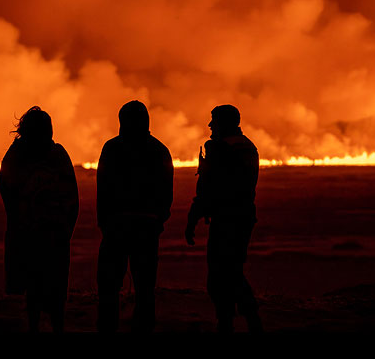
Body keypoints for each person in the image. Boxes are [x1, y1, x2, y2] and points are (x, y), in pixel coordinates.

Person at [0, 106, 79, 333]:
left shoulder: (15, 156)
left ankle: (38, 326)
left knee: (35, 288)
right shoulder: (56, 155)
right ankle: (54, 327)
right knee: (52, 287)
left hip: (33, 235)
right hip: (50, 235)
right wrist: (65, 229)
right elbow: (72, 197)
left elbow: (6, 192)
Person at [96, 100, 174, 333]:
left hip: (117, 227)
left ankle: (108, 328)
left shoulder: (112, 148)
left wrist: (105, 222)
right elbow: (167, 191)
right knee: (144, 286)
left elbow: (103, 188)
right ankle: (143, 327)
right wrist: (158, 219)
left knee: (109, 285)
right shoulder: (159, 149)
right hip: (146, 227)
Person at [184, 104, 263, 333]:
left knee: (223, 274)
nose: (210, 126)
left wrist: (193, 218)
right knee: (230, 269)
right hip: (243, 217)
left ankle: (233, 320)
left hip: (226, 219)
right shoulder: (247, 146)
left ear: (224, 123)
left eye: (214, 121)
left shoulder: (221, 149)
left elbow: (209, 188)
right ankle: (244, 319)